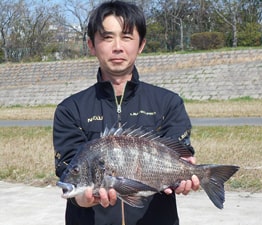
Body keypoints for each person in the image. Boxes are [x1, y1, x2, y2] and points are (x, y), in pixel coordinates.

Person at [53, 1, 200, 224]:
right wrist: (84, 198)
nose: (118, 47)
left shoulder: (168, 102)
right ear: (92, 45)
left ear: (141, 44)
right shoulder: (70, 109)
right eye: (107, 37)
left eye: (127, 36)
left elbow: (180, 153)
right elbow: (69, 171)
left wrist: (184, 176)